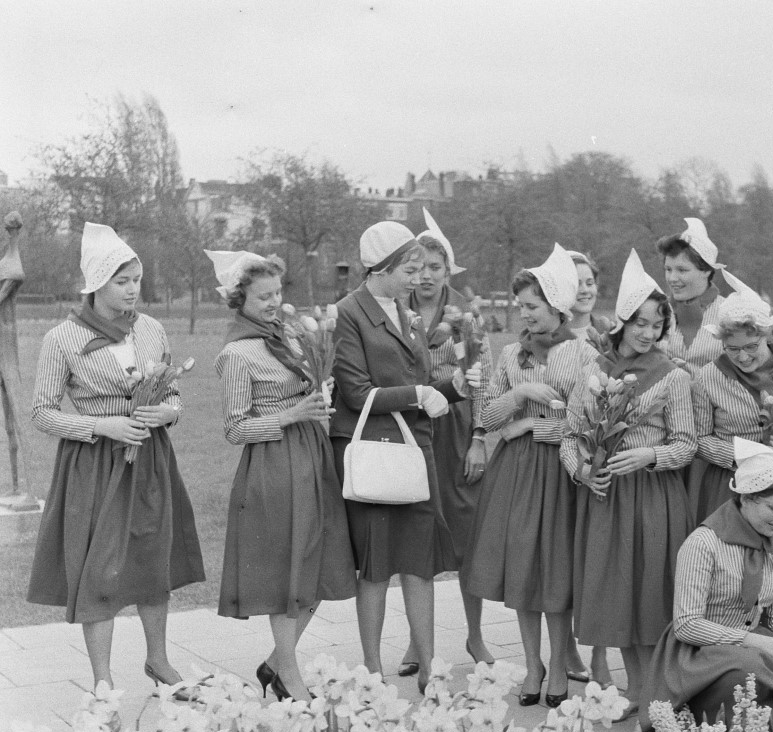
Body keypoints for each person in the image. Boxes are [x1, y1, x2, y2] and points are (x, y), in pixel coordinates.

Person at [27, 223, 204, 692]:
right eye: (121, 281)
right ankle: (103, 682)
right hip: (95, 466)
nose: (131, 291)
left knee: (153, 562)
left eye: (136, 281)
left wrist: (168, 412)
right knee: (100, 570)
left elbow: (175, 395)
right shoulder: (62, 339)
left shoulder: (152, 330)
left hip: (150, 460)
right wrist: (101, 426)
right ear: (96, 285)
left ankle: (159, 662)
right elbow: (42, 413)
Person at [331, 221, 480, 693]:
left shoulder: (400, 311)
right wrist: (419, 394)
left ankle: (430, 668)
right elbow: (355, 393)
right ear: (383, 268)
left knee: (420, 562)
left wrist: (452, 389)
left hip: (415, 451)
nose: (417, 277)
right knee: (376, 564)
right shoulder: (348, 313)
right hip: (376, 452)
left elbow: (418, 385)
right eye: (410, 268)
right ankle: (373, 671)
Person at [207, 249, 355, 702]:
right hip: (273, 466)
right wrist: (292, 413)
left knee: (318, 567)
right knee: (288, 574)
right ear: (240, 298)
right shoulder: (238, 353)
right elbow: (235, 429)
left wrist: (320, 390)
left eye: (277, 293)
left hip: (312, 457)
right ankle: (289, 675)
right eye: (262, 296)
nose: (273, 303)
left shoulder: (290, 336)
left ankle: (275, 663)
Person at [461, 244, 599, 708]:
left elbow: (587, 424)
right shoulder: (512, 356)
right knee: (523, 570)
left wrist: (530, 426)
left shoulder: (582, 354)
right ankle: (533, 662)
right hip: (518, 475)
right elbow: (488, 413)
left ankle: (559, 662)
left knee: (555, 571)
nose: (524, 314)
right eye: (521, 306)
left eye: (531, 306)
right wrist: (519, 395)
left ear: (557, 306)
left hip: (561, 471)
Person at [561, 250, 695, 722]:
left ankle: (656, 695)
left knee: (650, 599)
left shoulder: (673, 376)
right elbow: (569, 436)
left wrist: (649, 456)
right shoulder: (594, 372)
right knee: (619, 597)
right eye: (639, 322)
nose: (646, 332)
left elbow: (686, 445)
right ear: (621, 321)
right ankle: (638, 693)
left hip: (653, 500)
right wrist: (583, 470)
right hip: (606, 499)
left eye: (656, 325)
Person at [642, 438, 773, 732]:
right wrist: (752, 641)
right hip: (697, 653)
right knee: (750, 671)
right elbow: (686, 625)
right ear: (747, 498)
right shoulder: (703, 544)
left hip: (750, 645)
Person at [684, 282, 773, 633]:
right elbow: (699, 440)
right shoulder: (708, 377)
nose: (743, 356)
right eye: (732, 349)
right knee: (730, 576)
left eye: (751, 347)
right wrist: (742, 455)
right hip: (731, 487)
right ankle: (731, 645)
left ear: (767, 335)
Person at [394, 210, 495, 675]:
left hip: (457, 431)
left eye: (435, 267)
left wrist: (479, 439)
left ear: (448, 269)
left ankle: (475, 635)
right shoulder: (395, 310)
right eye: (417, 267)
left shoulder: (466, 316)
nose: (426, 276)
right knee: (416, 537)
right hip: (414, 431)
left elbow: (484, 382)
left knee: (467, 538)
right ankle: (419, 642)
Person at [563, 249, 615, 689]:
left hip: (594, 461)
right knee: (559, 561)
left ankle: (599, 652)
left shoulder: (609, 336)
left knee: (596, 562)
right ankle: (564, 645)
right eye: (576, 281)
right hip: (555, 459)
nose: (585, 289)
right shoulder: (548, 335)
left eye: (590, 281)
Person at [657, 218, 727, 370]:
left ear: (707, 270)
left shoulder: (730, 312)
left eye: (682, 270)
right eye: (668, 269)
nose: (672, 278)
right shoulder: (658, 311)